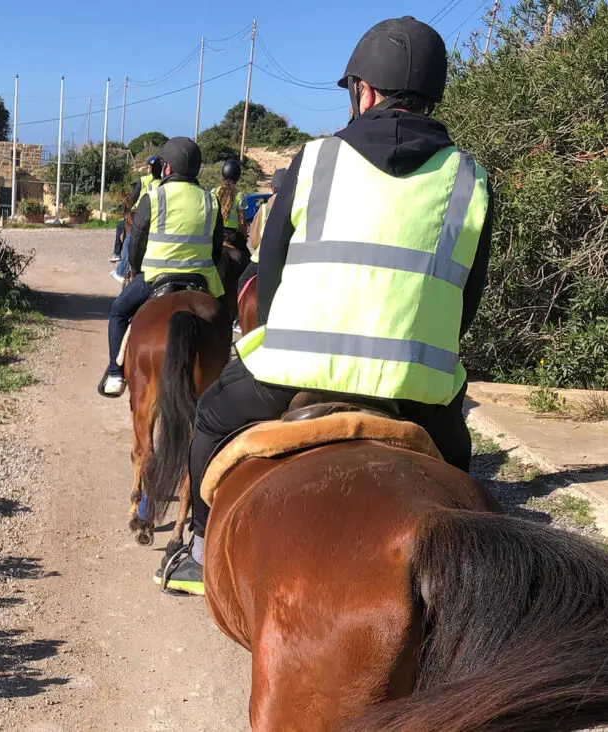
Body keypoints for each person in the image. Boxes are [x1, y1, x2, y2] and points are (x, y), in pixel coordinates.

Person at [157, 16, 494, 595]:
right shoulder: (471, 179)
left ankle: (198, 548)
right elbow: (468, 299)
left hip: (295, 369)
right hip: (418, 387)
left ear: (362, 91)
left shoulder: (314, 161)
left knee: (210, 420)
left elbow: (273, 274)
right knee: (464, 481)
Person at [99, 138, 226, 397]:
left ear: (166, 168)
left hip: (156, 276)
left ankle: (114, 372)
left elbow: (137, 244)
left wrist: (135, 269)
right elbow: (216, 250)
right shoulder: (211, 201)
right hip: (201, 279)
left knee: (118, 312)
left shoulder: (153, 198)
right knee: (223, 321)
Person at [110, 156, 164, 281]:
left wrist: (125, 207)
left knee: (130, 239)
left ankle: (121, 269)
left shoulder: (144, 180)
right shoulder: (167, 183)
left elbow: (132, 199)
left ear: (150, 169)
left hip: (140, 214)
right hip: (162, 218)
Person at [238, 167, 287, 294]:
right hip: (287, 260)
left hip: (263, 259)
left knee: (242, 282)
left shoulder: (265, 208)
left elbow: (254, 241)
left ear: (272, 187)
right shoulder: (294, 205)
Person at [213, 159, 247, 255]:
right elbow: (242, 223)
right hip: (232, 236)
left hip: (215, 233)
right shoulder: (239, 196)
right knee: (246, 259)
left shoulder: (213, 192)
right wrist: (244, 236)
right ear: (237, 178)